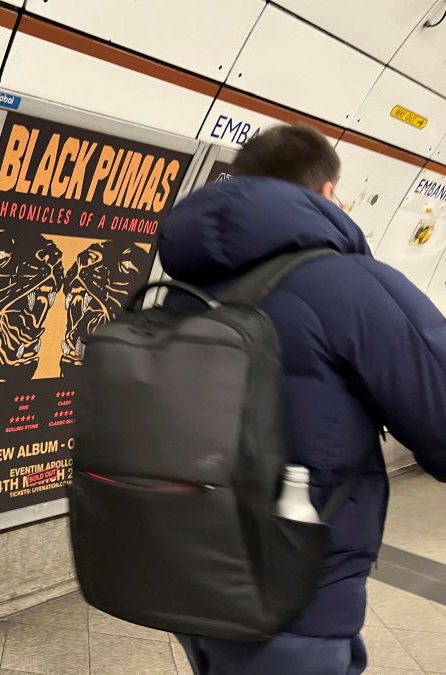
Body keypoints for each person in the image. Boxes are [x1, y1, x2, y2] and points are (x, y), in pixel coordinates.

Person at [158, 124, 446, 674]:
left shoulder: (177, 287)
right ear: (328, 194)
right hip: (291, 590)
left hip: (182, 564)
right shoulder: (353, 284)